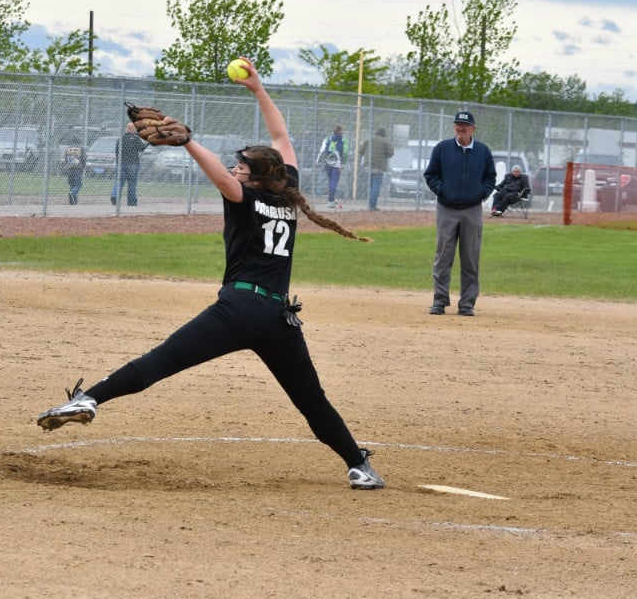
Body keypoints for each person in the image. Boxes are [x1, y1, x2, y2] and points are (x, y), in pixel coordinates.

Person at [35, 58, 385, 491]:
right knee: (312, 401)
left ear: (256, 179)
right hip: (279, 319)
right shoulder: (287, 193)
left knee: (161, 360)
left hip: (238, 310)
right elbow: (281, 138)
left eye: (242, 168)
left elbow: (219, 176)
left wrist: (189, 143)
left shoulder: (245, 197)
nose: (236, 170)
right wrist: (258, 90)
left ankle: (90, 398)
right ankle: (358, 466)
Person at [422, 110, 496, 317]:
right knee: (443, 256)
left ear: (473, 128)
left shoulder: (482, 151)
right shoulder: (442, 148)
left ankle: (467, 304)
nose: (461, 128)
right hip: (446, 209)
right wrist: (442, 191)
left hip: (472, 210)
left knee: (470, 257)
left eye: (465, 125)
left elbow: (490, 177)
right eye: (457, 125)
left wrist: (481, 193)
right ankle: (439, 301)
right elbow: (431, 175)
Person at [357, 127, 396, 211]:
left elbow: (360, 151)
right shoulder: (385, 141)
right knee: (376, 186)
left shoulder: (368, 140)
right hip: (379, 167)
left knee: (370, 186)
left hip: (368, 166)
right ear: (384, 134)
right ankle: (372, 206)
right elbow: (390, 153)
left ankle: (369, 204)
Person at [110, 121, 147, 206]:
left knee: (119, 181)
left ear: (126, 129)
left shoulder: (121, 138)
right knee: (132, 183)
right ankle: (131, 201)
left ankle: (115, 195)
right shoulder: (136, 139)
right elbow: (141, 148)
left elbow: (117, 151)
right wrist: (147, 143)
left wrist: (118, 161)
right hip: (133, 163)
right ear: (134, 129)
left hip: (121, 163)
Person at [315, 125, 347, 206]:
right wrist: (343, 164)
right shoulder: (343, 140)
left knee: (331, 182)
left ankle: (332, 198)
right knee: (334, 183)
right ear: (341, 132)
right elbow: (345, 153)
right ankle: (330, 201)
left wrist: (317, 161)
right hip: (337, 165)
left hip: (328, 163)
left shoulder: (327, 139)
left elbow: (322, 150)